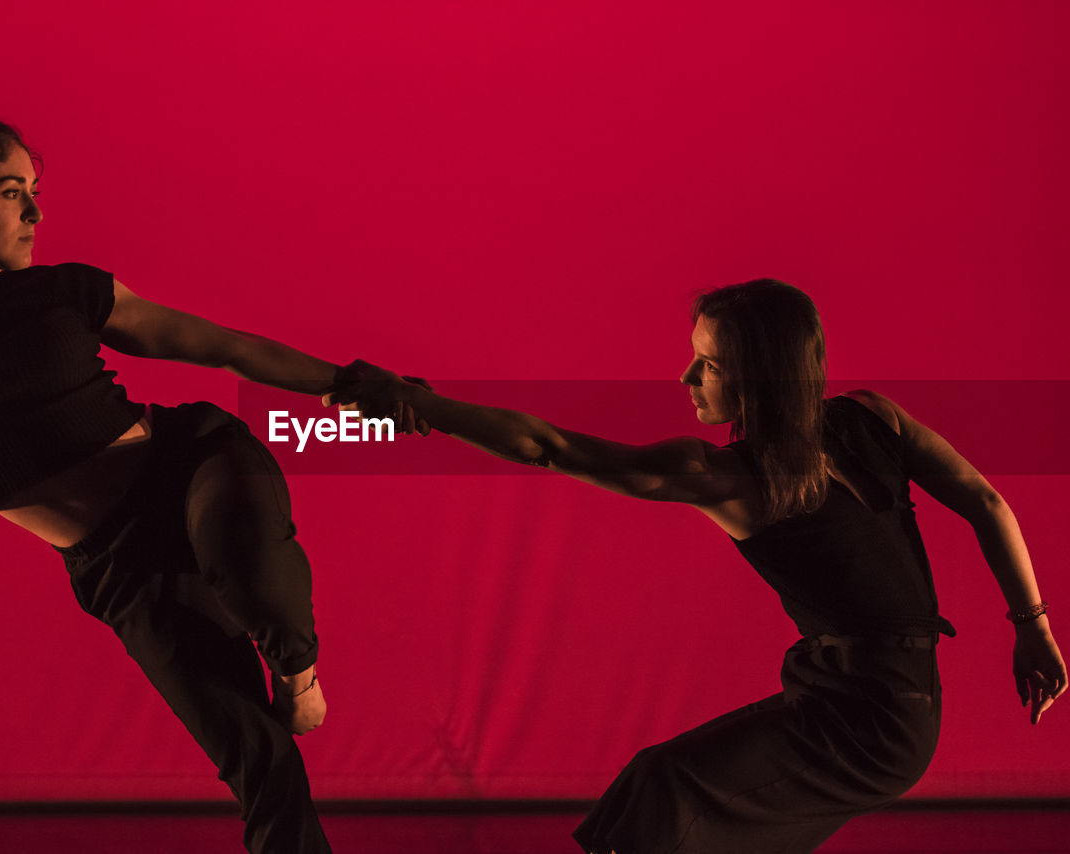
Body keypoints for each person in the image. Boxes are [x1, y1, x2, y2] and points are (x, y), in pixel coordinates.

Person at [0, 110, 395, 854]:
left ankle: (298, 673)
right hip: (120, 566)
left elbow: (222, 346)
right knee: (258, 760)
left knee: (251, 572)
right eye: (13, 192)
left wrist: (345, 382)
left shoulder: (66, 292)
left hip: (190, 463)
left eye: (35, 190)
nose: (37, 211)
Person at [330, 279, 1067, 853]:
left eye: (709, 364)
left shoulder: (733, 477)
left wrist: (417, 405)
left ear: (761, 376)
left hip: (870, 721)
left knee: (663, 790)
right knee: (667, 794)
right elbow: (986, 500)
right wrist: (1032, 628)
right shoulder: (873, 418)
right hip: (866, 700)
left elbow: (547, 446)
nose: (687, 376)